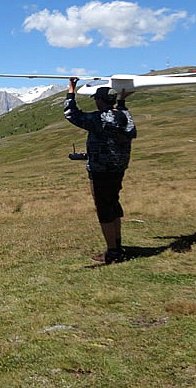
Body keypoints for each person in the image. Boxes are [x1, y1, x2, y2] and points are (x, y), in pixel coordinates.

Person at [64, 78, 136, 264]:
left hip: (101, 170)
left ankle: (112, 252)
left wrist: (71, 89)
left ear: (100, 100)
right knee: (113, 204)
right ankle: (117, 246)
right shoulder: (124, 116)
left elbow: (72, 114)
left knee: (104, 209)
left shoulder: (99, 118)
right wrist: (122, 102)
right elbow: (126, 121)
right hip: (118, 168)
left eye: (96, 98)